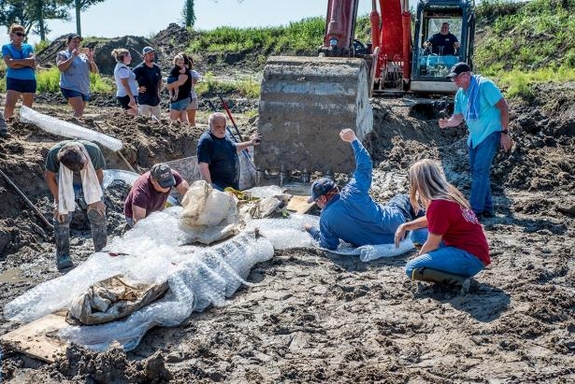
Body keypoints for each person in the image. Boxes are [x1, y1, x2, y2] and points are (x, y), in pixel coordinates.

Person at [303, 128, 427, 251]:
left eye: (316, 201)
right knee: (401, 198)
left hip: (380, 243)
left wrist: (311, 230)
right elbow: (365, 164)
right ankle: (428, 219)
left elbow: (328, 245)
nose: (317, 204)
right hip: (397, 228)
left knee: (396, 201)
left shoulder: (325, 220)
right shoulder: (353, 190)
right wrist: (353, 139)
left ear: (323, 198)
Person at [395, 159, 490, 288]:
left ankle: (461, 282)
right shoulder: (448, 194)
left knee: (412, 268)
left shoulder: (439, 204)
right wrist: (405, 226)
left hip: (469, 257)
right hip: (474, 252)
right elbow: (433, 221)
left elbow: (432, 243)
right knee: (416, 234)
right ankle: (444, 263)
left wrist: (418, 258)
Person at [440, 62, 512, 219]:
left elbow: (504, 107)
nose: (455, 82)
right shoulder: (460, 94)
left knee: (480, 171)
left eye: (457, 78)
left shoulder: (485, 86)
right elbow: (457, 118)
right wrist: (447, 123)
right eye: (453, 79)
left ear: (466, 75)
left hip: (491, 133)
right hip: (475, 138)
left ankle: (475, 211)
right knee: (478, 172)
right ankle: (487, 209)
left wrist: (504, 133)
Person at [45, 140, 107, 270]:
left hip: (90, 182)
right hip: (65, 183)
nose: (84, 167)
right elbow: (49, 176)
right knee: (61, 215)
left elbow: (99, 174)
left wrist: (97, 199)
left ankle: (101, 252)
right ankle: (63, 257)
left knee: (98, 213)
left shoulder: (93, 151)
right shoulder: (54, 154)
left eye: (83, 165)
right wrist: (58, 202)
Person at [197, 112, 261, 191]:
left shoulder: (224, 136)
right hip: (218, 187)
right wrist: (210, 187)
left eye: (224, 126)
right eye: (218, 127)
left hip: (231, 187)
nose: (222, 130)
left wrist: (250, 143)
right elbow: (203, 166)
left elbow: (233, 148)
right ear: (210, 126)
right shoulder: (206, 141)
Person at [124, 163, 190, 227]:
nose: (168, 187)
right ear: (153, 180)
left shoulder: (169, 174)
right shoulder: (141, 192)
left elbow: (189, 193)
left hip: (155, 209)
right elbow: (139, 223)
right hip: (135, 216)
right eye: (164, 184)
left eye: (169, 182)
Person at [2, 23, 37, 129]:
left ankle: (23, 127)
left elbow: (33, 61)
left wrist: (16, 62)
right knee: (9, 106)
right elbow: (10, 64)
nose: (21, 37)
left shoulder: (28, 46)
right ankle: (5, 128)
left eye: (23, 35)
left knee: (27, 108)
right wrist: (26, 63)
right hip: (14, 79)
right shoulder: (6, 47)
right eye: (19, 34)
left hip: (29, 80)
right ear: (12, 35)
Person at [56, 34, 98, 118]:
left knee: (80, 112)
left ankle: (75, 127)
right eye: (74, 41)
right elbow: (61, 67)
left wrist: (91, 61)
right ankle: (72, 129)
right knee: (78, 111)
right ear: (68, 43)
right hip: (69, 87)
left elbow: (95, 71)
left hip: (83, 88)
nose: (77, 43)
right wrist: (72, 57)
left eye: (78, 42)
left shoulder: (83, 56)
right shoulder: (63, 54)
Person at [133, 46, 163, 120]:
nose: (152, 56)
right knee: (143, 122)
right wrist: (137, 89)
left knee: (158, 123)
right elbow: (129, 80)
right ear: (144, 56)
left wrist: (159, 91)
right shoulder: (139, 69)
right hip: (144, 101)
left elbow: (160, 80)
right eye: (149, 54)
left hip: (155, 101)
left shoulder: (156, 68)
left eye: (153, 54)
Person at [165, 54, 191, 122]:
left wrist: (168, 86)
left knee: (172, 119)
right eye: (179, 63)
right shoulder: (179, 69)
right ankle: (187, 132)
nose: (181, 64)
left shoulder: (184, 70)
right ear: (175, 62)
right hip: (185, 98)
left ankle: (171, 131)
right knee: (183, 118)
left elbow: (180, 83)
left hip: (180, 98)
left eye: (182, 62)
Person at [112, 48, 138, 115]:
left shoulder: (120, 67)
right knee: (134, 115)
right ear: (124, 56)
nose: (131, 58)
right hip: (126, 95)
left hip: (125, 95)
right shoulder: (123, 68)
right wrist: (131, 97)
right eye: (129, 56)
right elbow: (125, 84)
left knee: (131, 115)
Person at [182, 53, 201, 127]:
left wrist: (186, 72)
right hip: (181, 99)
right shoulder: (177, 72)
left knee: (191, 121)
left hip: (191, 98)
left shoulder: (193, 73)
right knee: (182, 121)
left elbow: (194, 81)